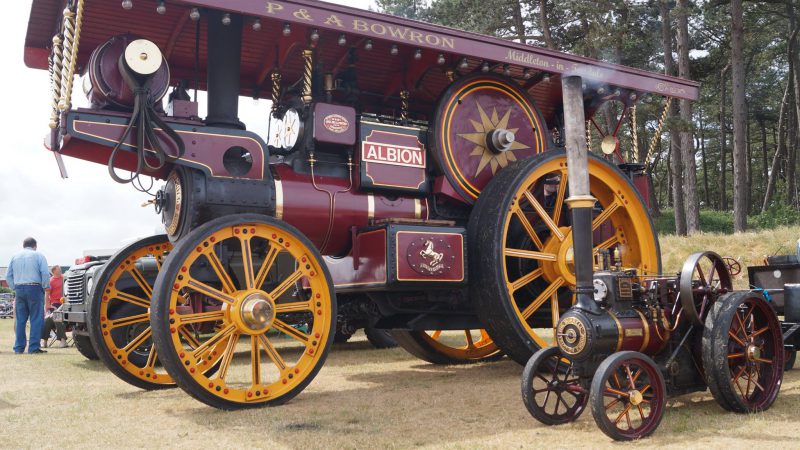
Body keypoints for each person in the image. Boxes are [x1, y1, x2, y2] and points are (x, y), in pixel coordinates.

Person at [6, 237, 51, 354]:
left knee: (20, 319)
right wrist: (45, 286)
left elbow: (8, 276)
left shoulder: (14, 257)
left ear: (23, 245)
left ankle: (19, 348)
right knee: (36, 319)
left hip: (19, 289)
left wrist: (14, 287)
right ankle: (33, 347)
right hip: (35, 288)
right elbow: (45, 273)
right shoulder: (39, 256)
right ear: (35, 245)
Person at [42, 265, 67, 348]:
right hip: (55, 304)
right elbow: (47, 295)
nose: (60, 270)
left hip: (65, 303)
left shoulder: (65, 278)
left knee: (57, 317)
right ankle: (44, 341)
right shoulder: (50, 281)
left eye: (60, 269)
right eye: (58, 269)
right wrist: (48, 306)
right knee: (47, 319)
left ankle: (63, 340)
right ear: (54, 271)